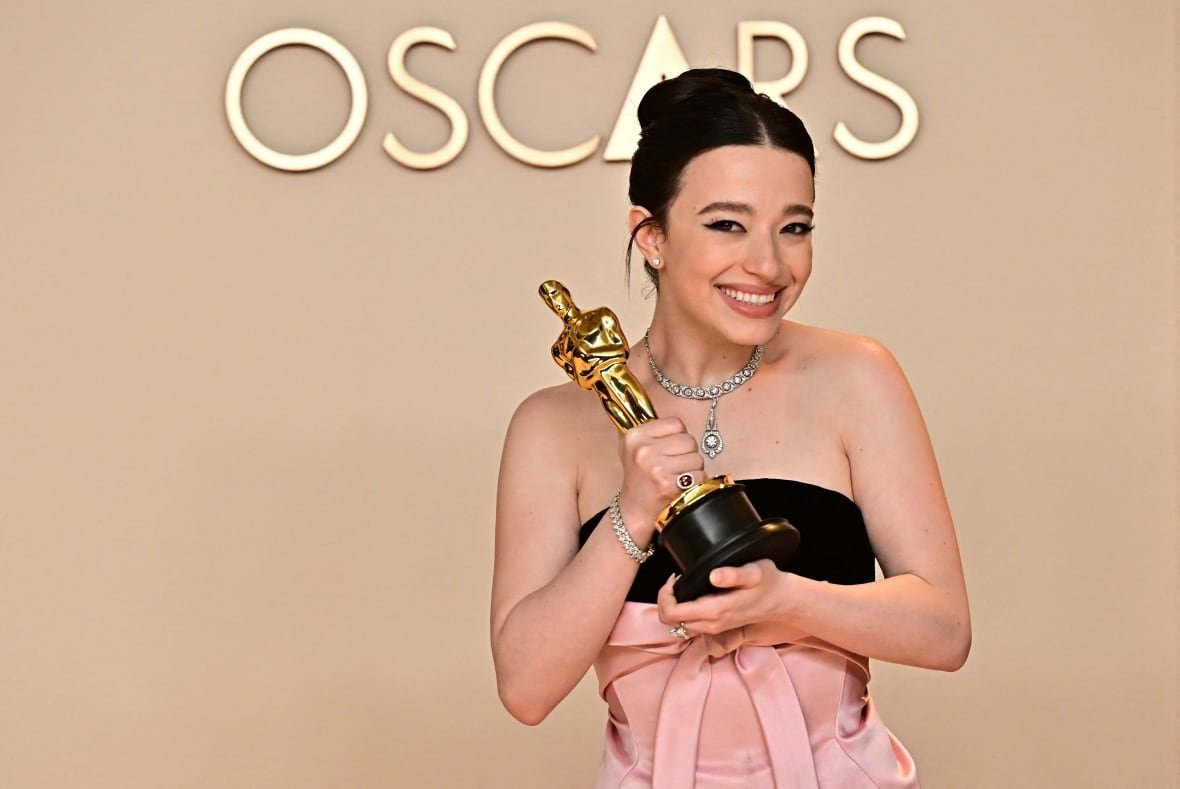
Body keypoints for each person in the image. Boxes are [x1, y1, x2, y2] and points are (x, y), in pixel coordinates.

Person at [491, 68, 970, 788]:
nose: (769, 264)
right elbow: (525, 687)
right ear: (651, 235)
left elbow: (945, 629)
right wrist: (632, 513)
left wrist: (791, 601)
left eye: (795, 228)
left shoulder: (857, 377)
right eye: (726, 224)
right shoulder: (554, 424)